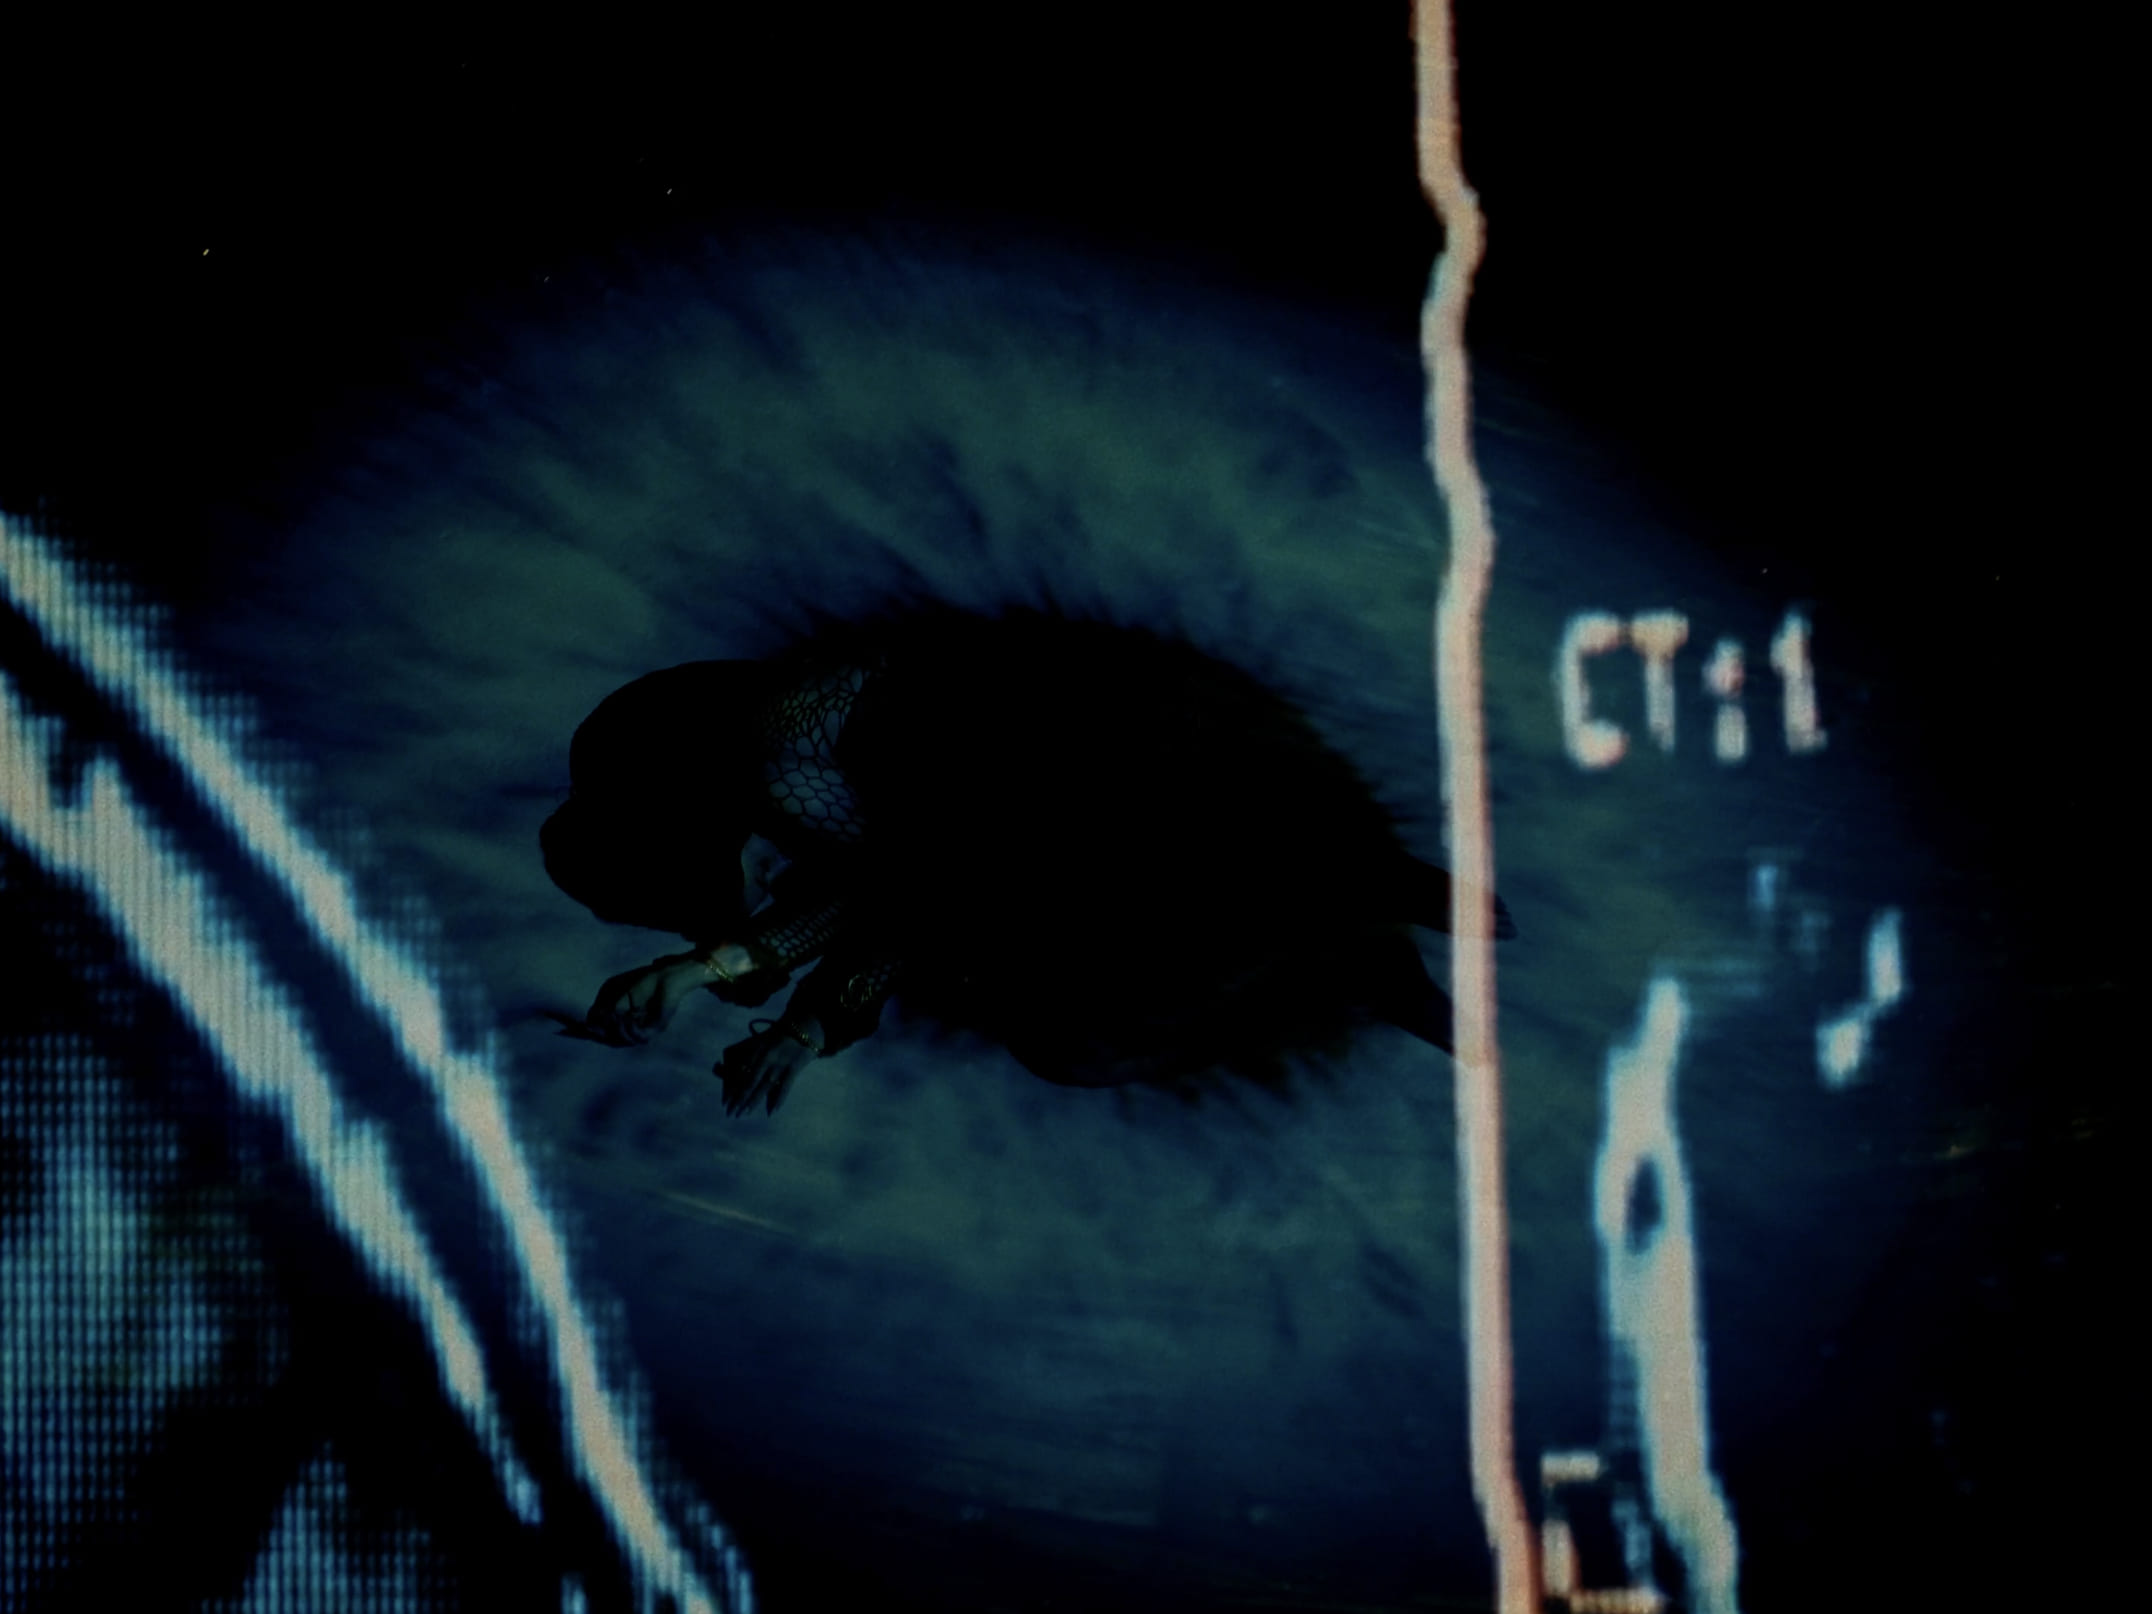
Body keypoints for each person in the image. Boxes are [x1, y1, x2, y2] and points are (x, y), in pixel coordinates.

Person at [543, 611, 1516, 1116]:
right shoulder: (789, 795)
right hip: (1046, 810)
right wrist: (767, 1007)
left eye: (718, 882)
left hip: (1096, 776)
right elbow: (878, 900)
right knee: (1062, 1035)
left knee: (1048, 923)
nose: (755, 890)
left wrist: (748, 983)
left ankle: (1350, 909)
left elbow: (899, 883)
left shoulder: (787, 753)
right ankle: (1350, 953)